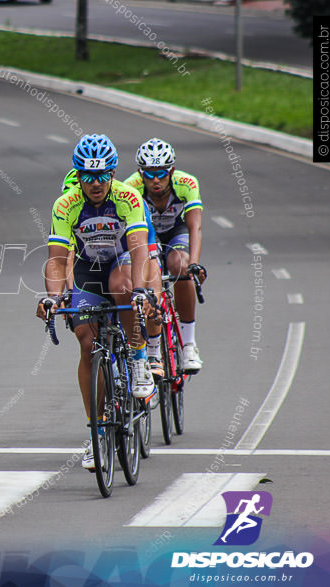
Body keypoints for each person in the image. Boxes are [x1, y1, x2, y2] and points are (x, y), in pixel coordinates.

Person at [36, 134, 155, 471]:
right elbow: (58, 261)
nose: (96, 183)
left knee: (123, 287)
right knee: (86, 342)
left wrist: (143, 290)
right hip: (89, 270)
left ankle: (138, 355)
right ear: (77, 175)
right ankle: (96, 430)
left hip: (120, 263)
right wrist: (53, 297)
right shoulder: (66, 203)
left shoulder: (128, 197)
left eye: (103, 175)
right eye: (88, 176)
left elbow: (139, 249)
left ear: (113, 172)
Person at [64, 168, 163, 383]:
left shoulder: (129, 203)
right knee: (91, 335)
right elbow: (67, 259)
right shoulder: (71, 212)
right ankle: (113, 376)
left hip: (128, 260)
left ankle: (149, 353)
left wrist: (151, 296)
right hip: (93, 269)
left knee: (141, 299)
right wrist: (69, 294)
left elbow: (148, 257)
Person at [123, 138, 206, 373]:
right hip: (147, 235)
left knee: (179, 266)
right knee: (150, 280)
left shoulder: (186, 183)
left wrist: (194, 263)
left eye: (161, 173)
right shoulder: (131, 188)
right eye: (149, 174)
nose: (155, 180)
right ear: (141, 173)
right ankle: (154, 349)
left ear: (171, 170)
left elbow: (195, 228)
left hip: (175, 232)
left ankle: (189, 344)